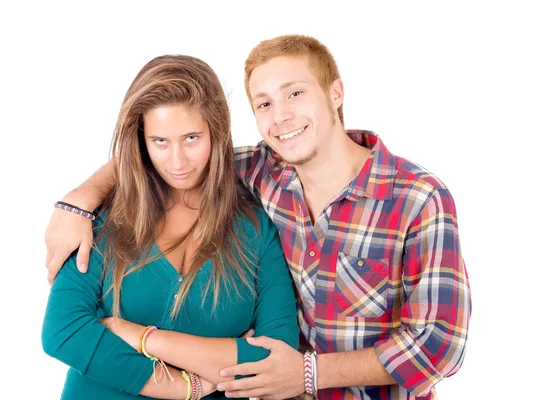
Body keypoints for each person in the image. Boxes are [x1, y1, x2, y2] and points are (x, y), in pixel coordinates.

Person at [45, 35, 471, 400]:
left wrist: (307, 372)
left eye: (295, 93)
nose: (281, 115)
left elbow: (440, 346)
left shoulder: (416, 197)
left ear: (335, 93)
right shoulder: (264, 171)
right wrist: (77, 201)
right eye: (264, 103)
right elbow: (166, 156)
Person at [41, 54, 299, 400]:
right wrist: (185, 386)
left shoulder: (255, 230)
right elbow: (63, 332)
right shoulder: (104, 218)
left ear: (216, 133)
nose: (177, 162)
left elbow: (274, 361)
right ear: (142, 141)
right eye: (160, 142)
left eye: (191, 138)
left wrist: (141, 336)